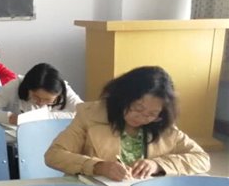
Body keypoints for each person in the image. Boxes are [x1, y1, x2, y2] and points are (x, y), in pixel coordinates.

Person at [45, 66, 210, 179]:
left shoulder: (162, 125)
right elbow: (54, 155)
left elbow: (201, 159)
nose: (142, 118)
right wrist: (98, 166)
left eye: (152, 114)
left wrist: (157, 165)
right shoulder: (90, 116)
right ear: (122, 98)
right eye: (137, 108)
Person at [0, 63, 83, 125]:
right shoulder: (15, 86)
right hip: (18, 141)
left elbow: (85, 112)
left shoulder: (62, 88)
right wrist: (10, 118)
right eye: (36, 97)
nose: (40, 103)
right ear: (28, 88)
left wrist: (47, 117)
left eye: (48, 100)